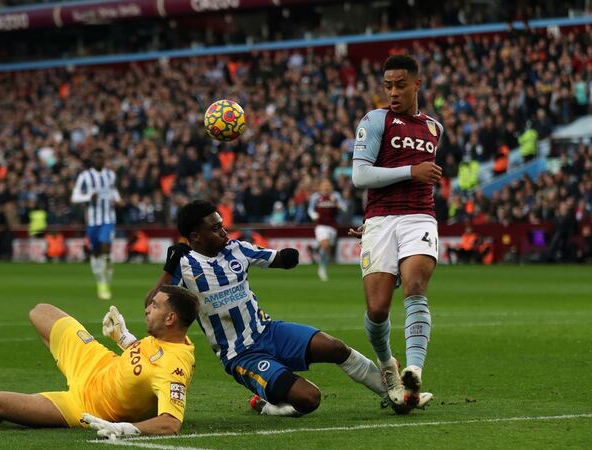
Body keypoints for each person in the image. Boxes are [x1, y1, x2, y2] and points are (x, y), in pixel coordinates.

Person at [146, 200, 432, 417]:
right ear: (195, 237)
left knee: (335, 348)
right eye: (215, 227)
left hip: (268, 331)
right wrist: (168, 269)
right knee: (309, 399)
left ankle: (394, 392)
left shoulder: (236, 249)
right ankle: (267, 404)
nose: (223, 231)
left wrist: (288, 257)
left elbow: (277, 258)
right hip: (241, 354)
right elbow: (151, 306)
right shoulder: (183, 266)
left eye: (222, 224)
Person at [0, 285, 200, 439]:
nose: (147, 309)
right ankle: (63, 354)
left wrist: (125, 429)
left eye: (154, 306)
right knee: (41, 311)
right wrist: (123, 338)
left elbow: (170, 423)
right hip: (96, 363)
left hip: (84, 406)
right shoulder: (168, 339)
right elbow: (146, 363)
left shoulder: (174, 366)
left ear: (170, 319)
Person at [350, 54, 443, 409]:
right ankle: (389, 365)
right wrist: (411, 171)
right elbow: (360, 176)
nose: (393, 92)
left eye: (400, 85)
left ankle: (414, 371)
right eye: (387, 85)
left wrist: (417, 175)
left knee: (416, 285)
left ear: (417, 84)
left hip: (420, 216)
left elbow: (424, 177)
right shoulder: (375, 120)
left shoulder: (434, 128)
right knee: (377, 309)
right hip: (380, 220)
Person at [71, 148, 121, 300]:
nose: (99, 160)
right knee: (95, 252)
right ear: (92, 160)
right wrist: (88, 197)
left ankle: (105, 282)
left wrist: (118, 200)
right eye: (96, 158)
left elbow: (113, 191)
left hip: (108, 219)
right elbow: (74, 197)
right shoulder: (85, 176)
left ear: (104, 159)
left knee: (105, 245)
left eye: (101, 157)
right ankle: (101, 280)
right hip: (93, 221)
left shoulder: (110, 175)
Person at [307, 179, 347, 281]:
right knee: (325, 245)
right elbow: (310, 209)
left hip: (332, 226)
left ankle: (321, 265)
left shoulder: (336, 196)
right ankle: (321, 256)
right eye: (324, 185)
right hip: (320, 225)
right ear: (320, 187)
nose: (326, 187)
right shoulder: (316, 197)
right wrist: (313, 215)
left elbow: (344, 208)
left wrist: (338, 204)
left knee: (326, 248)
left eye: (328, 185)